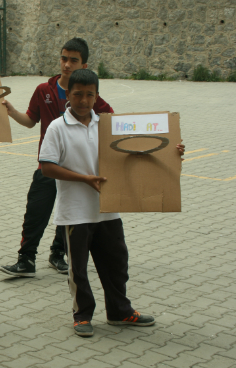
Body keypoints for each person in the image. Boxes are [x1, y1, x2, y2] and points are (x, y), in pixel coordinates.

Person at [38, 68, 185, 336]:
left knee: (117, 264)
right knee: (78, 270)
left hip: (108, 210)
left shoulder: (109, 125)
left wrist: (171, 151)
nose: (83, 100)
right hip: (76, 213)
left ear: (97, 96)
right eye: (78, 94)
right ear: (67, 95)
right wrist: (85, 179)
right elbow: (46, 166)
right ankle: (82, 315)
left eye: (89, 95)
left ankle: (120, 311)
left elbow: (136, 153)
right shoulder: (57, 128)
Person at [0, 38, 114, 278]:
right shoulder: (44, 90)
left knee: (69, 214)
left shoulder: (88, 92)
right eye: (64, 58)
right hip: (49, 166)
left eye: (73, 60)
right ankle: (26, 259)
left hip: (78, 169)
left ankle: (57, 255)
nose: (66, 65)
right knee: (36, 212)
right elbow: (31, 121)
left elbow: (112, 125)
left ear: (84, 64)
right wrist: (11, 112)